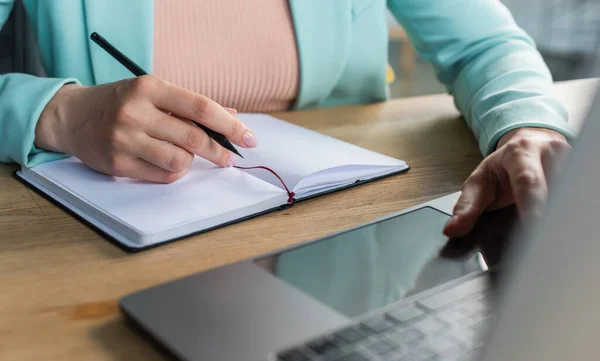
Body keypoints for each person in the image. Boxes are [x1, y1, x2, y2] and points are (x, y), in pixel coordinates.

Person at [0, 0, 574, 238]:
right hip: (95, 240)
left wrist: (526, 126)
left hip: (349, 226)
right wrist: (59, 113)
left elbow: (485, 45)